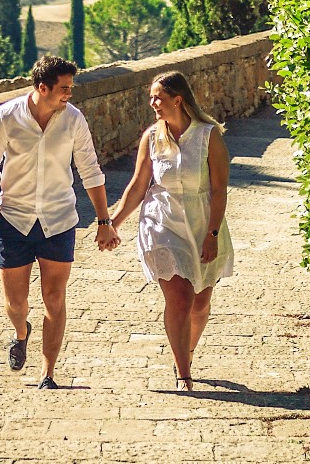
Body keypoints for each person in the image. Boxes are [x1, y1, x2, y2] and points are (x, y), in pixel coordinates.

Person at [0, 54, 120, 389]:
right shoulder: (7, 117)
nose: (69, 94)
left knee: (54, 297)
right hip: (13, 218)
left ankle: (48, 372)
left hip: (58, 219)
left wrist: (104, 220)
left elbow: (90, 171)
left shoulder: (74, 120)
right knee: (16, 302)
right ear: (43, 88)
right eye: (64, 88)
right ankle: (20, 332)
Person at [110, 70, 235, 391]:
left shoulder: (209, 136)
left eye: (158, 98)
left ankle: (187, 352)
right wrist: (112, 224)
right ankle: (183, 373)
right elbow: (138, 186)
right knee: (179, 297)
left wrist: (213, 235)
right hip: (160, 222)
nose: (152, 103)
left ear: (178, 100)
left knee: (200, 302)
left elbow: (220, 190)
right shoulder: (152, 137)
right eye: (151, 97)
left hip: (202, 222)